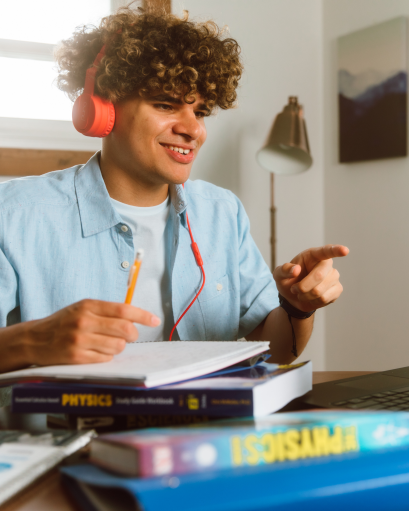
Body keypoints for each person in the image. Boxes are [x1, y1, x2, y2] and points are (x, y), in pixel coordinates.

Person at [0, 7, 348, 375]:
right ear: (103, 108)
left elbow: (276, 350)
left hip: (204, 428)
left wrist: (297, 307)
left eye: (200, 112)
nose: (193, 130)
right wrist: (34, 340)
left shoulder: (221, 212)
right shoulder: (15, 214)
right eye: (166, 104)